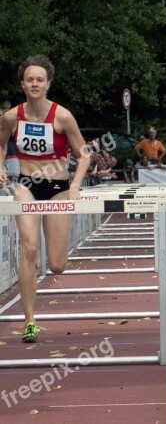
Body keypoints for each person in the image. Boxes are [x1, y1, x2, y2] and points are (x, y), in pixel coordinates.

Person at [0, 55, 91, 343]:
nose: (34, 84)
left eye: (40, 79)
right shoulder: (12, 116)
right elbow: (1, 143)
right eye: (30, 79)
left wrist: (76, 185)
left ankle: (47, 273)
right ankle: (29, 321)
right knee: (29, 248)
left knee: (57, 265)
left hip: (58, 186)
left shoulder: (62, 116)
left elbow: (84, 154)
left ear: (48, 83)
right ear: (23, 84)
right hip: (26, 185)